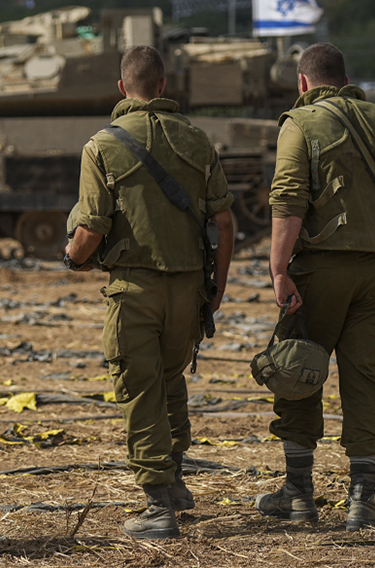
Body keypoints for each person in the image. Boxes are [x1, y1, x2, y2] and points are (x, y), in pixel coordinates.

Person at [64, 45, 235, 540]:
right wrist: (216, 288)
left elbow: (92, 226)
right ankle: (177, 479)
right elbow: (224, 219)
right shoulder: (198, 140)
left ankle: (158, 503)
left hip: (134, 290)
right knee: (169, 377)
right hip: (189, 289)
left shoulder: (102, 146)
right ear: (163, 86)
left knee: (139, 391)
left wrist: (73, 256)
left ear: (123, 88)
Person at [257, 43, 375, 531]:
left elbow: (288, 199)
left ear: (303, 83)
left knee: (298, 369)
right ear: (346, 77)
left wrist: (278, 269)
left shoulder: (300, 123)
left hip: (321, 272)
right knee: (366, 379)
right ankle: (362, 500)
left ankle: (298, 494)